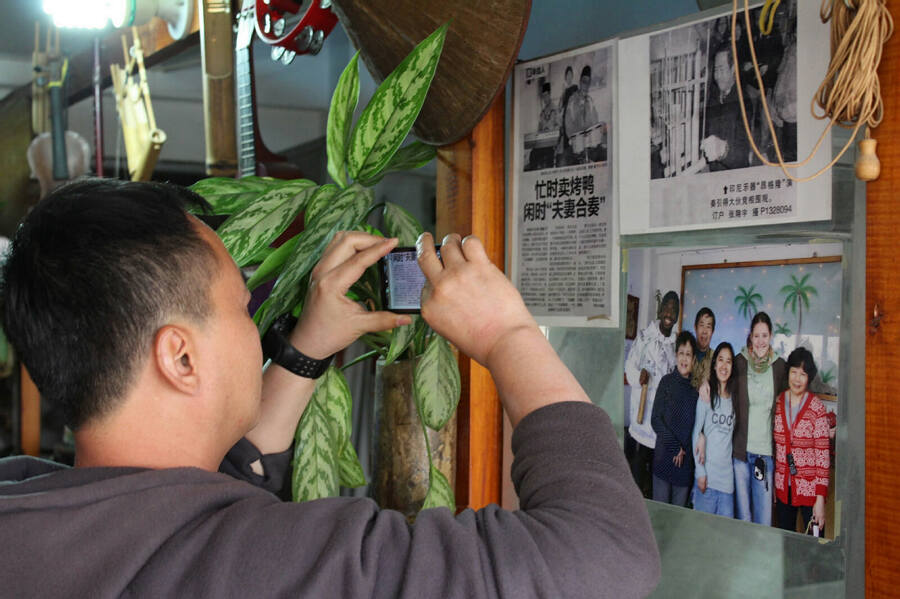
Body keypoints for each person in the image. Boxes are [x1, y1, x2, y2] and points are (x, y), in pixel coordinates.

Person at [0, 179, 660, 598]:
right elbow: (607, 553)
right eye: (241, 308)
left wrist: (307, 346)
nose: (253, 328)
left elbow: (200, 502)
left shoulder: (31, 509)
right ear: (179, 357)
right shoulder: (274, 565)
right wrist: (508, 334)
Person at [732, 311, 788, 525]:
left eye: (764, 335)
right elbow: (720, 382)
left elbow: (791, 398)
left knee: (763, 518)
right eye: (756, 336)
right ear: (750, 336)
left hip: (763, 455)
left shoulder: (779, 366)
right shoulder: (740, 362)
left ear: (771, 336)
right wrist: (705, 386)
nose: (760, 341)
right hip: (740, 453)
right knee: (743, 518)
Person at [625, 291, 679, 497]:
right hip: (641, 425)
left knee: (655, 486)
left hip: (662, 429)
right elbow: (629, 368)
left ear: (677, 316)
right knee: (636, 485)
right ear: (660, 310)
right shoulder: (644, 337)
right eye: (667, 307)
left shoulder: (675, 346)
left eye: (674, 310)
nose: (669, 313)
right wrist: (639, 376)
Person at [773, 348, 830, 536]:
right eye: (794, 372)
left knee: (815, 544)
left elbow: (823, 458)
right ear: (788, 372)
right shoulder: (778, 403)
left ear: (809, 377)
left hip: (811, 491)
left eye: (803, 374)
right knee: (786, 542)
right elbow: (775, 448)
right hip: (783, 488)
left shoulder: (817, 408)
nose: (797, 379)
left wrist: (820, 499)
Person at [650, 331, 699, 507]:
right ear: (676, 355)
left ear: (693, 359)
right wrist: (675, 447)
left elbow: (695, 428)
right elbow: (655, 419)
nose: (684, 359)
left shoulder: (696, 392)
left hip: (684, 467)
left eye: (688, 354)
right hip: (663, 460)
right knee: (660, 515)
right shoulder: (666, 382)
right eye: (681, 353)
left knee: (678, 518)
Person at [691, 342, 736, 518]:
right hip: (707, 479)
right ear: (715, 364)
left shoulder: (735, 399)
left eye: (729, 361)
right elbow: (696, 432)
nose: (724, 366)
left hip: (727, 483)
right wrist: (700, 472)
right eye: (721, 360)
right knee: (702, 530)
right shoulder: (706, 395)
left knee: (724, 532)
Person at [700, 47, 751, 172]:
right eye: (715, 70)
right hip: (713, 170)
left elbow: (743, 158)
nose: (717, 76)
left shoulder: (744, 102)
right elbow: (705, 128)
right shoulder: (714, 96)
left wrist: (723, 151)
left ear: (733, 69)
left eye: (721, 70)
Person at [562, 65, 602, 165]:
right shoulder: (572, 100)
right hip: (576, 145)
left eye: (588, 83)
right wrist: (576, 138)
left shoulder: (590, 101)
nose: (586, 85)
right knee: (562, 161)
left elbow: (595, 122)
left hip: (590, 145)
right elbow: (568, 125)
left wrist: (595, 133)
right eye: (584, 81)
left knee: (604, 155)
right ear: (580, 82)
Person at [690, 307, 716, 389]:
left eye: (708, 326)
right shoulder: (686, 354)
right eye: (701, 325)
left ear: (713, 331)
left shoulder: (716, 359)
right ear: (695, 327)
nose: (704, 331)